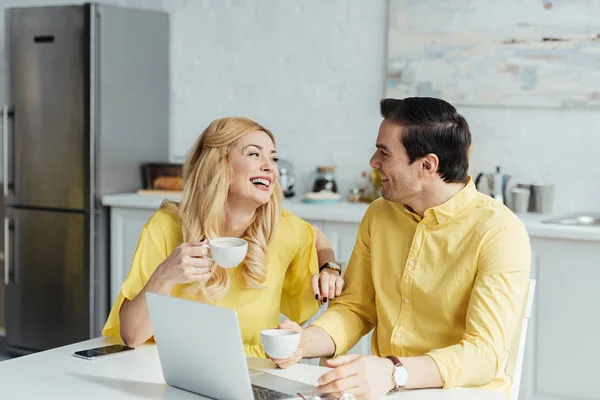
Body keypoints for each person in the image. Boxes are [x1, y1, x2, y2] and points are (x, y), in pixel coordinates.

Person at [273, 97, 531, 399]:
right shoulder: (380, 214)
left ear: (427, 165)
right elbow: (357, 308)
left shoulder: (498, 231)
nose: (373, 162)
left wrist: (395, 372)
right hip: (389, 389)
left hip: (459, 392)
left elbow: (484, 354)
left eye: (384, 153)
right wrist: (304, 342)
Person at [102, 117, 345, 357]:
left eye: (273, 158)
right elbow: (132, 335)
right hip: (171, 366)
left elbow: (316, 236)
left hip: (252, 370)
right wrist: (165, 276)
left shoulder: (282, 230)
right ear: (218, 164)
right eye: (253, 154)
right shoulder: (166, 226)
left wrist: (330, 268)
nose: (270, 166)